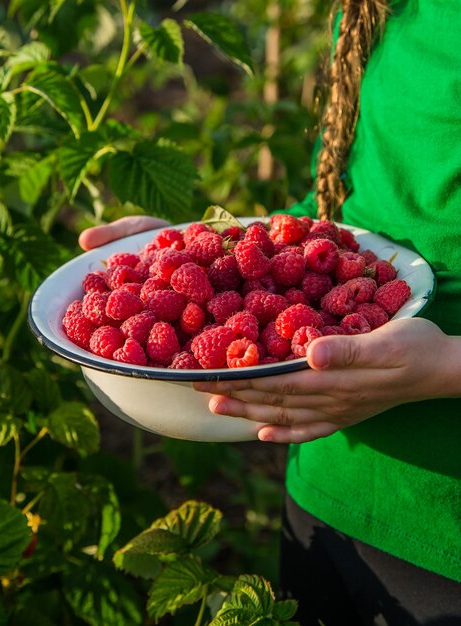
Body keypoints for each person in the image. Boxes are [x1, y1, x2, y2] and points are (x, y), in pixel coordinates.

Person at [79, 1, 461, 623]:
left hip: (444, 526)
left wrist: (446, 366)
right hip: (328, 484)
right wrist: (190, 258)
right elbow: (344, 217)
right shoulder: (376, 8)